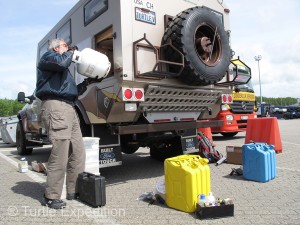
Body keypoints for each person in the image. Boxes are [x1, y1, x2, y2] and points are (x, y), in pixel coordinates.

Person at [36, 38, 86, 209]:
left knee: (78, 151)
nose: (69, 48)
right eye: (66, 45)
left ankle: (75, 190)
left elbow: (72, 92)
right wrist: (71, 52)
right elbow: (63, 63)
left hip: (70, 108)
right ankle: (51, 195)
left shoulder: (63, 70)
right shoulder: (48, 58)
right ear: (56, 48)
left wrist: (88, 83)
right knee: (61, 152)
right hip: (55, 107)